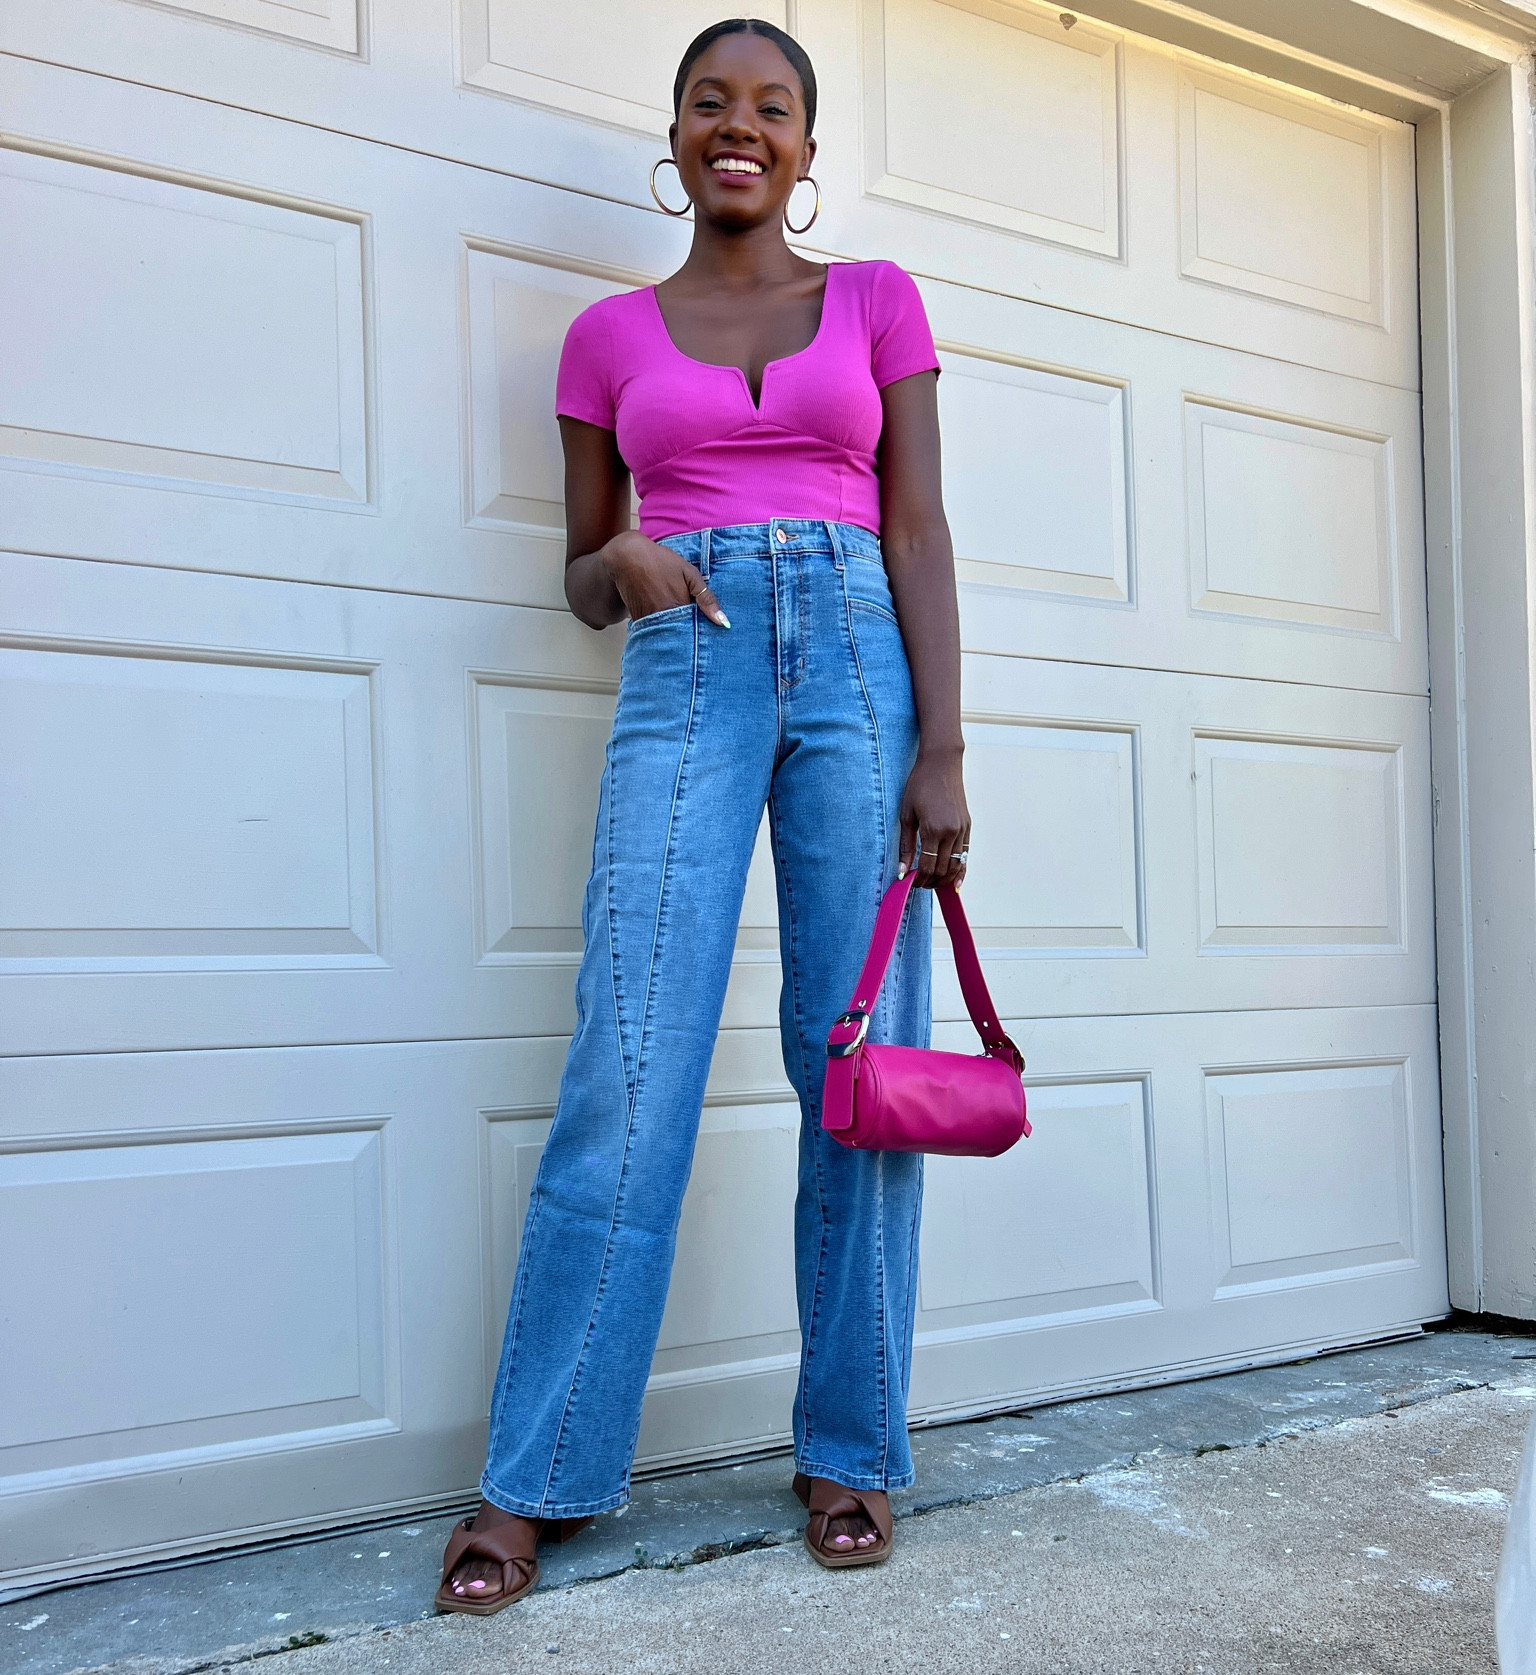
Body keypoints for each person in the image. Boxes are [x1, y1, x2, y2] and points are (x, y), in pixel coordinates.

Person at [437, 16, 968, 1614]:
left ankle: (851, 1447)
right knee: (633, 1058)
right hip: (689, 660)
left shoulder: (876, 304)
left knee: (856, 1066)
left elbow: (922, 521)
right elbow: (581, 570)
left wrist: (946, 750)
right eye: (709, 104)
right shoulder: (606, 336)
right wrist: (629, 570)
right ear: (672, 137)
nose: (739, 126)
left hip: (862, 674)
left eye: (773, 108)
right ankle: (536, 1476)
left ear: (809, 147)